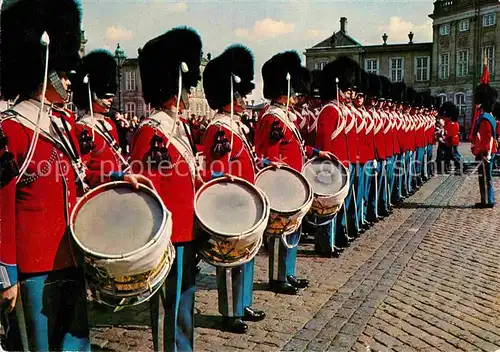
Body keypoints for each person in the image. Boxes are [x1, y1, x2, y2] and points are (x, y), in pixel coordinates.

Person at [0, 1, 152, 350]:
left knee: (76, 344)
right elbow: (2, 207)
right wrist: (5, 274)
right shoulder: (12, 129)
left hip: (71, 254)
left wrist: (117, 176)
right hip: (33, 265)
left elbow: (82, 174)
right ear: (45, 70)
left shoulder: (63, 124)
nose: (69, 81)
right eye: (64, 73)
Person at [130, 27, 203, 351]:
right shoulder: (153, 131)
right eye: (186, 86)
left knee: (183, 307)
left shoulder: (179, 127)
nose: (190, 92)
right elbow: (148, 192)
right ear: (175, 86)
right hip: (167, 236)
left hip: (187, 232)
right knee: (167, 311)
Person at [254, 51, 333, 294]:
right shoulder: (273, 118)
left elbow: (296, 147)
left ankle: (288, 272)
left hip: (294, 182)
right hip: (281, 184)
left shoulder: (284, 117)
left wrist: (316, 151)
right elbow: (264, 153)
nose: (297, 96)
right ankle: (277, 278)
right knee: (280, 233)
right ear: (285, 89)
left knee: (293, 230)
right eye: (294, 91)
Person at [201, 44, 266, 334]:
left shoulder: (234, 125)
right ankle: (229, 311)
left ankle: (243, 303)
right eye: (240, 93)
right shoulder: (219, 128)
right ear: (229, 95)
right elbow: (217, 169)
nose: (244, 99)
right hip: (230, 201)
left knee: (246, 255)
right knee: (230, 259)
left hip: (244, 198)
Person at [72, 50, 129, 188]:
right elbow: (83, 171)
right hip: (99, 189)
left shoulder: (109, 123)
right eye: (105, 96)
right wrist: (114, 176)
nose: (110, 99)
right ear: (92, 94)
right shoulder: (82, 128)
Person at [471, 83, 498, 208]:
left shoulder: (485, 118)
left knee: (486, 177)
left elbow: (488, 137)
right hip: (484, 150)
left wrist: (486, 153)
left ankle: (488, 201)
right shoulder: (487, 116)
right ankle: (486, 199)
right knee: (484, 177)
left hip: (485, 152)